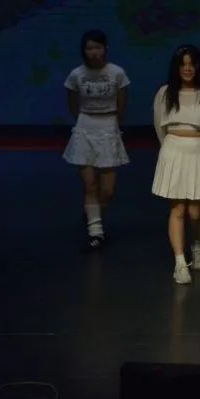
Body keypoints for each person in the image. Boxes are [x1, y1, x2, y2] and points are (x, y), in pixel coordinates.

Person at [151, 44, 200, 285]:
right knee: (178, 209)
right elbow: (159, 126)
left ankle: (198, 244)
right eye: (183, 64)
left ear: (198, 67)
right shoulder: (164, 93)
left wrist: (198, 145)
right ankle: (180, 263)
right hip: (173, 150)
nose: (187, 69)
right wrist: (171, 148)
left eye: (192, 64)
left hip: (198, 151)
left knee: (195, 211)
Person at [62, 29, 130, 249]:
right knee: (89, 184)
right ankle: (96, 232)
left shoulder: (117, 73)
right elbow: (73, 102)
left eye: (97, 47)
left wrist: (114, 123)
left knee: (107, 190)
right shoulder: (76, 74)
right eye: (89, 48)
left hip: (108, 127)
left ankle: (93, 213)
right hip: (85, 127)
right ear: (84, 50)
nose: (93, 52)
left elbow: (122, 103)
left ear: (105, 48)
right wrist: (83, 120)